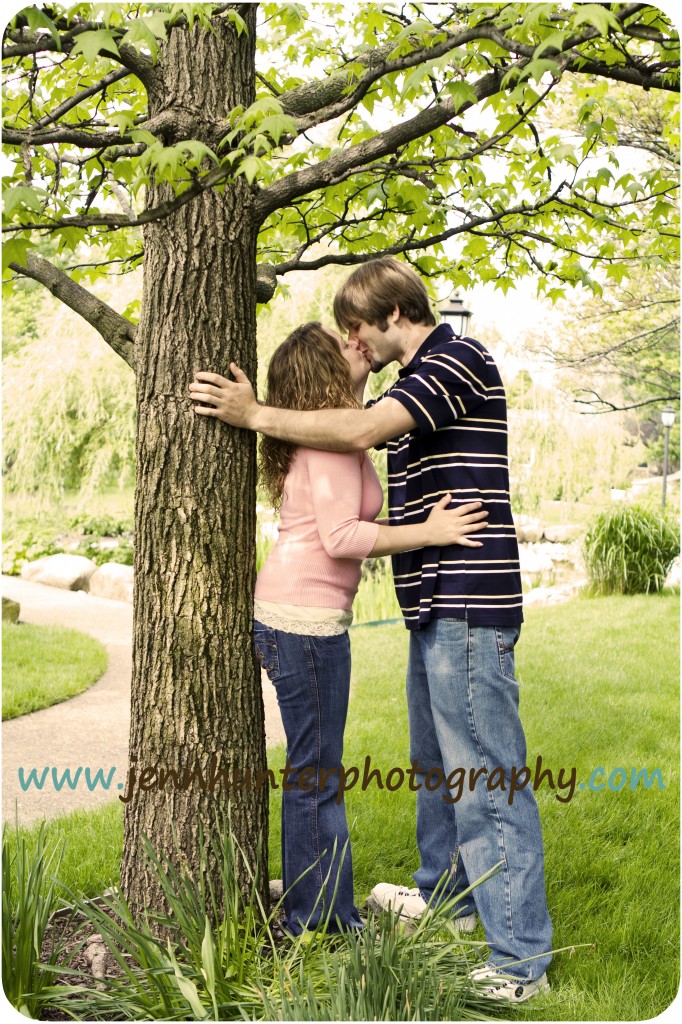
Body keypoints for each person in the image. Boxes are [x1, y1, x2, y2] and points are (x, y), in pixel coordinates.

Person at [188, 259, 553, 1001]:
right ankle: (449, 898)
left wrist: (255, 414)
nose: (354, 342)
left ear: (391, 314)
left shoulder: (455, 360)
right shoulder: (409, 383)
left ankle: (519, 964)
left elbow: (356, 428)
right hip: (430, 603)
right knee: (435, 765)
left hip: (467, 601)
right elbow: (341, 441)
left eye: (356, 328)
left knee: (484, 775)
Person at [244, 321, 487, 937]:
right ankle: (317, 920)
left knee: (316, 771)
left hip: (305, 619)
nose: (355, 343)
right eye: (341, 344)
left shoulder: (340, 436)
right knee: (316, 775)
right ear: (320, 374)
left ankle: (316, 908)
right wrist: (430, 533)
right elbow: (340, 537)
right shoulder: (330, 447)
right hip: (303, 622)